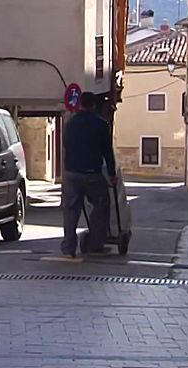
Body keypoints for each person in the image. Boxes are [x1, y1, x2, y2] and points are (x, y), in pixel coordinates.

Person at [61, 91, 117, 257]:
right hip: (92, 173)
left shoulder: (70, 124)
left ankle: (68, 247)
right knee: (101, 205)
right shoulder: (100, 124)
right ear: (93, 105)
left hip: (72, 173)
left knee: (71, 211)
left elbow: (66, 146)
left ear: (80, 104)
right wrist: (112, 174)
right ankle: (95, 243)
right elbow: (108, 152)